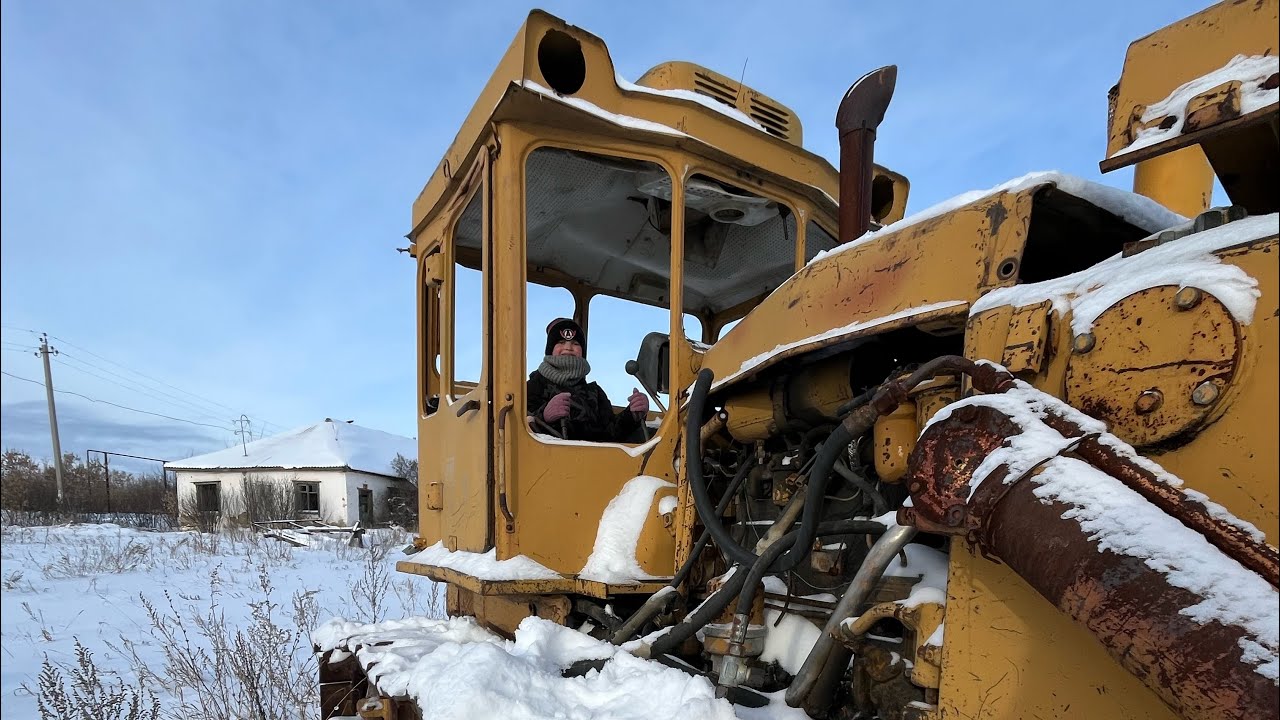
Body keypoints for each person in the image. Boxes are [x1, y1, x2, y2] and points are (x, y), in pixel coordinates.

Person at [527, 317, 650, 442]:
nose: (568, 347)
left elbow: (611, 433)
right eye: (561, 342)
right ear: (550, 350)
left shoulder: (595, 393)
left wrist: (633, 414)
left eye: (575, 343)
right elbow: (517, 430)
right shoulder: (532, 386)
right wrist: (543, 416)